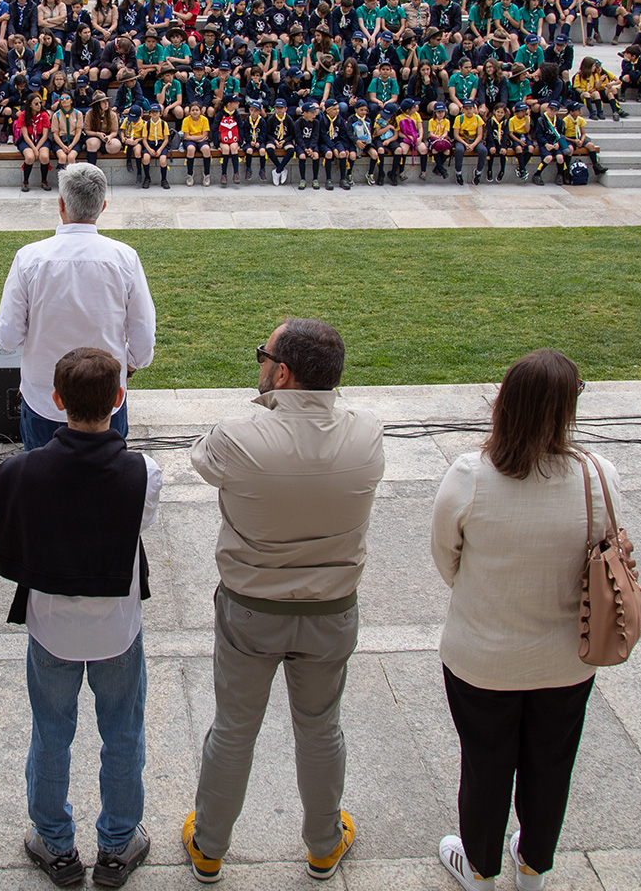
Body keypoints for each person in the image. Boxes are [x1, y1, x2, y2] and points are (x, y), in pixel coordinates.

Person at [184, 319, 385, 885]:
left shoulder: (241, 434)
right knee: (321, 728)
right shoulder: (369, 433)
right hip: (331, 612)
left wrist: (262, 404)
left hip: (251, 608)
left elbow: (202, 461)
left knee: (233, 729)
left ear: (283, 372)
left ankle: (209, 847)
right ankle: (324, 845)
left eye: (262, 356)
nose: (258, 364)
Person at [429, 349, 616, 891]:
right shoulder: (598, 475)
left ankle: (481, 866)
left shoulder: (472, 475)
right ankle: (533, 864)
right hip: (567, 657)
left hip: (482, 655)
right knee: (552, 763)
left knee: (485, 764)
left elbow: (446, 557)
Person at [0, 346, 159, 890]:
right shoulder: (144, 472)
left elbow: (11, 548)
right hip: (117, 626)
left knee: (50, 734)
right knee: (123, 734)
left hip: (50, 628)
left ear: (57, 399)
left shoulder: (19, 471)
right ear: (118, 398)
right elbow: (139, 529)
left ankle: (55, 844)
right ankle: (116, 844)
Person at [0, 164, 156, 450]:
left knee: (45, 484)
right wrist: (130, 363)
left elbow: (8, 337)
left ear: (61, 204)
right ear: (103, 206)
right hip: (105, 398)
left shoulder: (30, 258)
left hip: (45, 398)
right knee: (107, 483)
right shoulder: (125, 258)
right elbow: (143, 334)